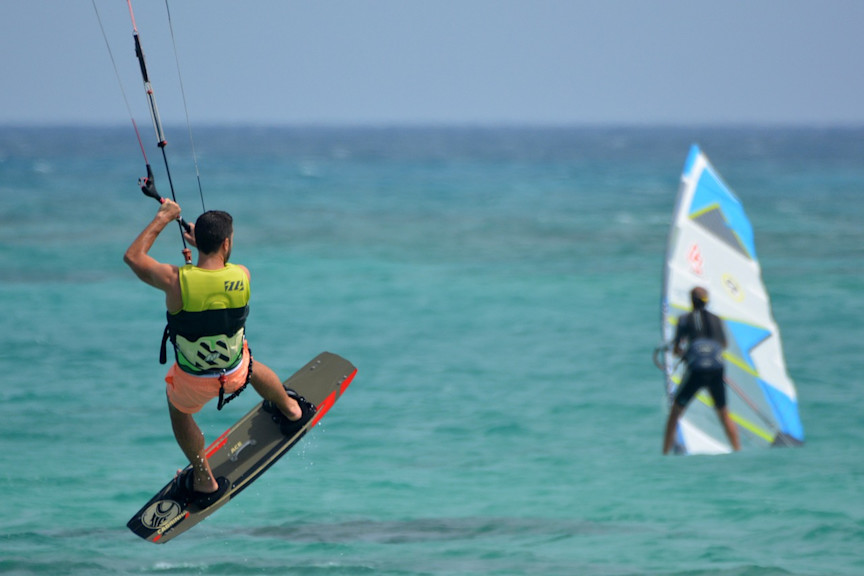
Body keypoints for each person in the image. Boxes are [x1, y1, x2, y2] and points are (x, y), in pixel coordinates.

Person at [124, 196, 316, 507]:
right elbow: (216, 276)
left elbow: (133, 257)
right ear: (226, 244)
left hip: (193, 383)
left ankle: (204, 479)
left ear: (199, 241)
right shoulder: (242, 274)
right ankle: (292, 410)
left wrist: (164, 217)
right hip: (237, 372)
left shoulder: (175, 281)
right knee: (251, 363)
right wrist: (201, 248)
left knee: (179, 411)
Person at [662, 286, 740, 454]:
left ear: (691, 301)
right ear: (707, 301)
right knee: (723, 413)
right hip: (716, 369)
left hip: (696, 369)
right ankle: (737, 450)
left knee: (675, 412)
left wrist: (686, 353)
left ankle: (665, 453)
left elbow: (676, 349)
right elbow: (723, 345)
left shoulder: (684, 319)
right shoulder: (716, 319)